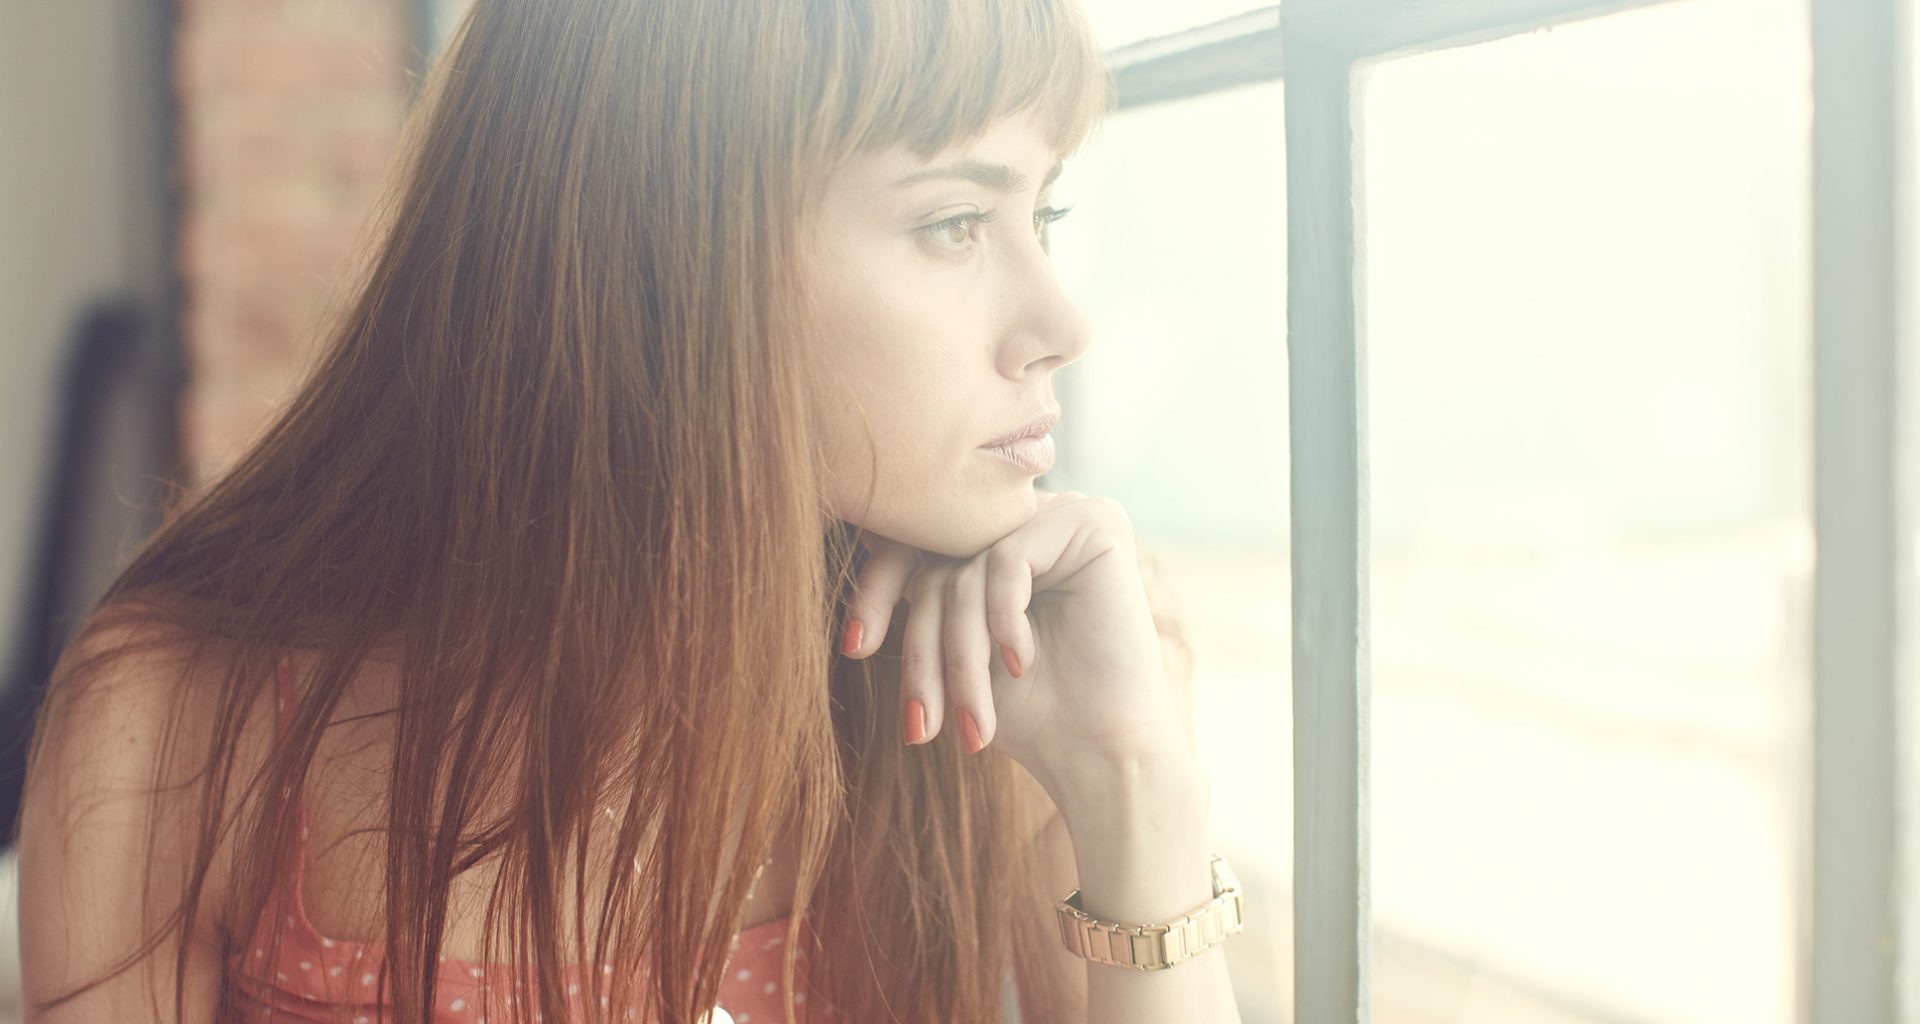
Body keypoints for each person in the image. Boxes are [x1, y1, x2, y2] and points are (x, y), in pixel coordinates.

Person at [17, 1, 1246, 1021]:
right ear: (669, 258)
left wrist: (1133, 784)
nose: (1061, 324)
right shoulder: (182, 720)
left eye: (1048, 214)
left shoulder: (1027, 679)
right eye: (954, 222)